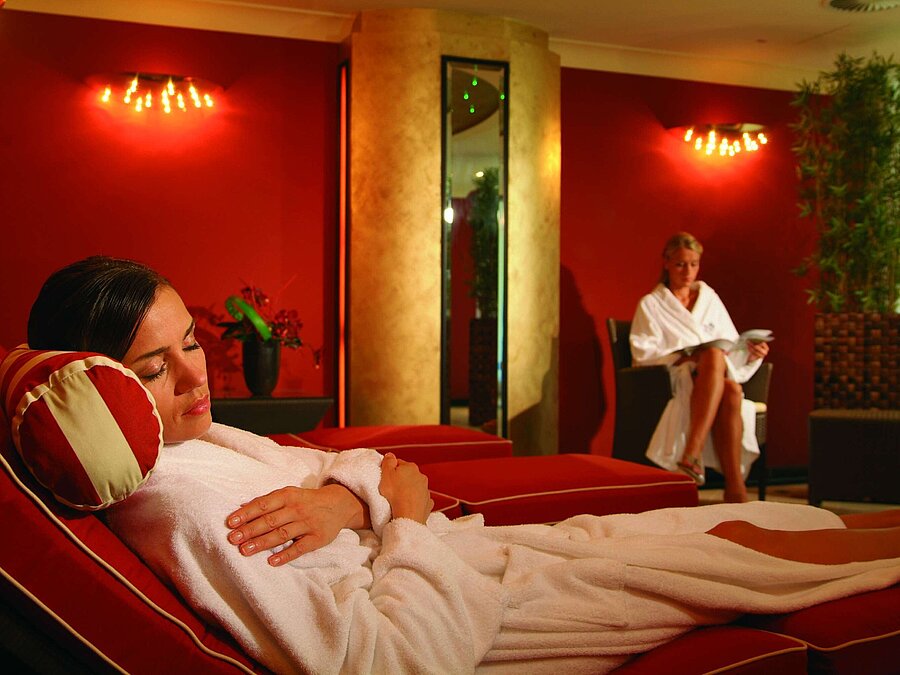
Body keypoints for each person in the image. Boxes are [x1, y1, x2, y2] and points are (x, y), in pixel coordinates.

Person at [25, 256, 900, 674]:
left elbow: (352, 463)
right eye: (153, 368)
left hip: (462, 557)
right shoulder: (182, 507)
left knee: (754, 521)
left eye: (190, 343)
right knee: (744, 548)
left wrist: (350, 502)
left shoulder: (200, 441)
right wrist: (401, 517)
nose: (195, 377)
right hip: (480, 607)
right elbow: (394, 660)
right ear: (100, 386)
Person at [629, 232, 768, 503]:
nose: (688, 272)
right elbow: (643, 353)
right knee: (725, 380)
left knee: (725, 376)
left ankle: (694, 458)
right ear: (667, 263)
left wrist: (751, 353)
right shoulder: (651, 305)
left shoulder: (708, 298)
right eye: (681, 264)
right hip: (674, 377)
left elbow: (731, 344)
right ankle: (735, 488)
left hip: (714, 376)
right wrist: (685, 358)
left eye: (693, 264)